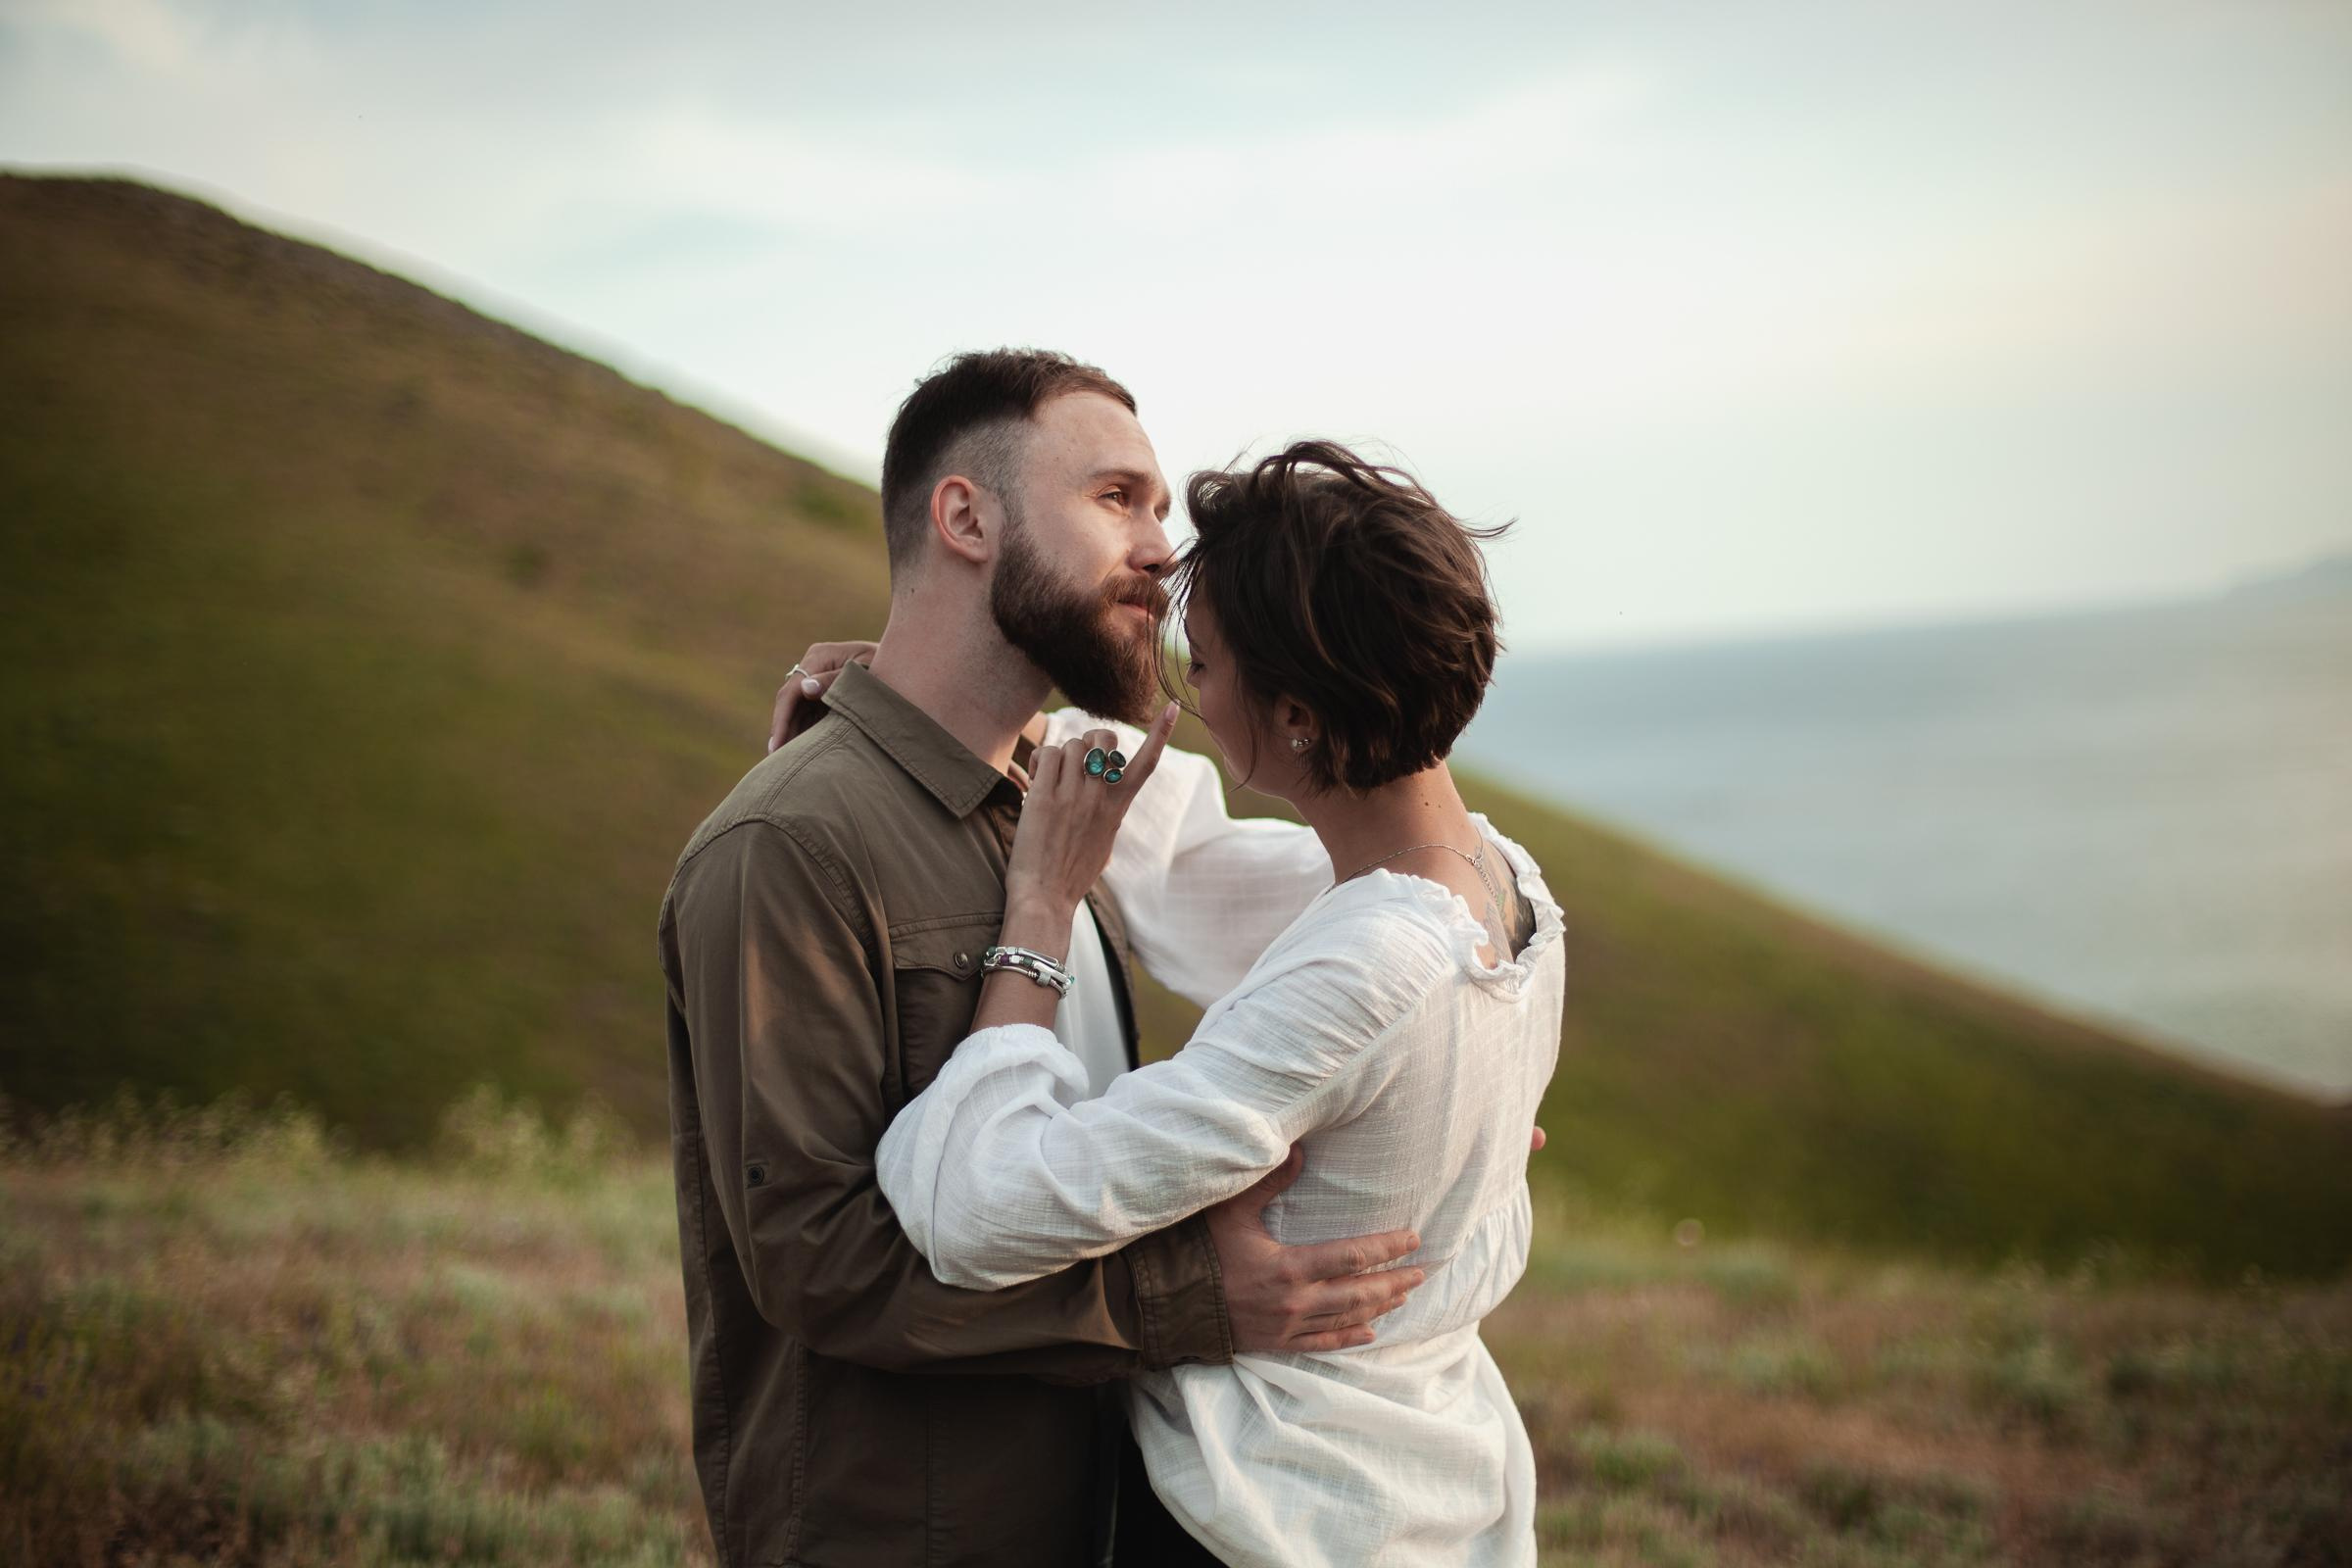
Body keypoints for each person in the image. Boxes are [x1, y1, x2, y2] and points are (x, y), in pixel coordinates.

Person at [660, 351, 1435, 1568]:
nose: (1163, 551)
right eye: (1117, 498)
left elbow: (1379, 899)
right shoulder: (789, 846)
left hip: (1099, 1511)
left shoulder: (1066, 800)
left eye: (1164, 510)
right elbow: (817, 1259)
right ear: (965, 516)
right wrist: (1186, 1298)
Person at [867, 440, 1565, 1567]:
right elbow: (1197, 884)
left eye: (1212, 662)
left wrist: (1039, 913)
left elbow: (973, 1203)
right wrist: (920, 701)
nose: (1192, 690)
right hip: (1417, 1493)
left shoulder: (1373, 965)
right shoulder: (1504, 885)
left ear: (1292, 712)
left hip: (1266, 1518)